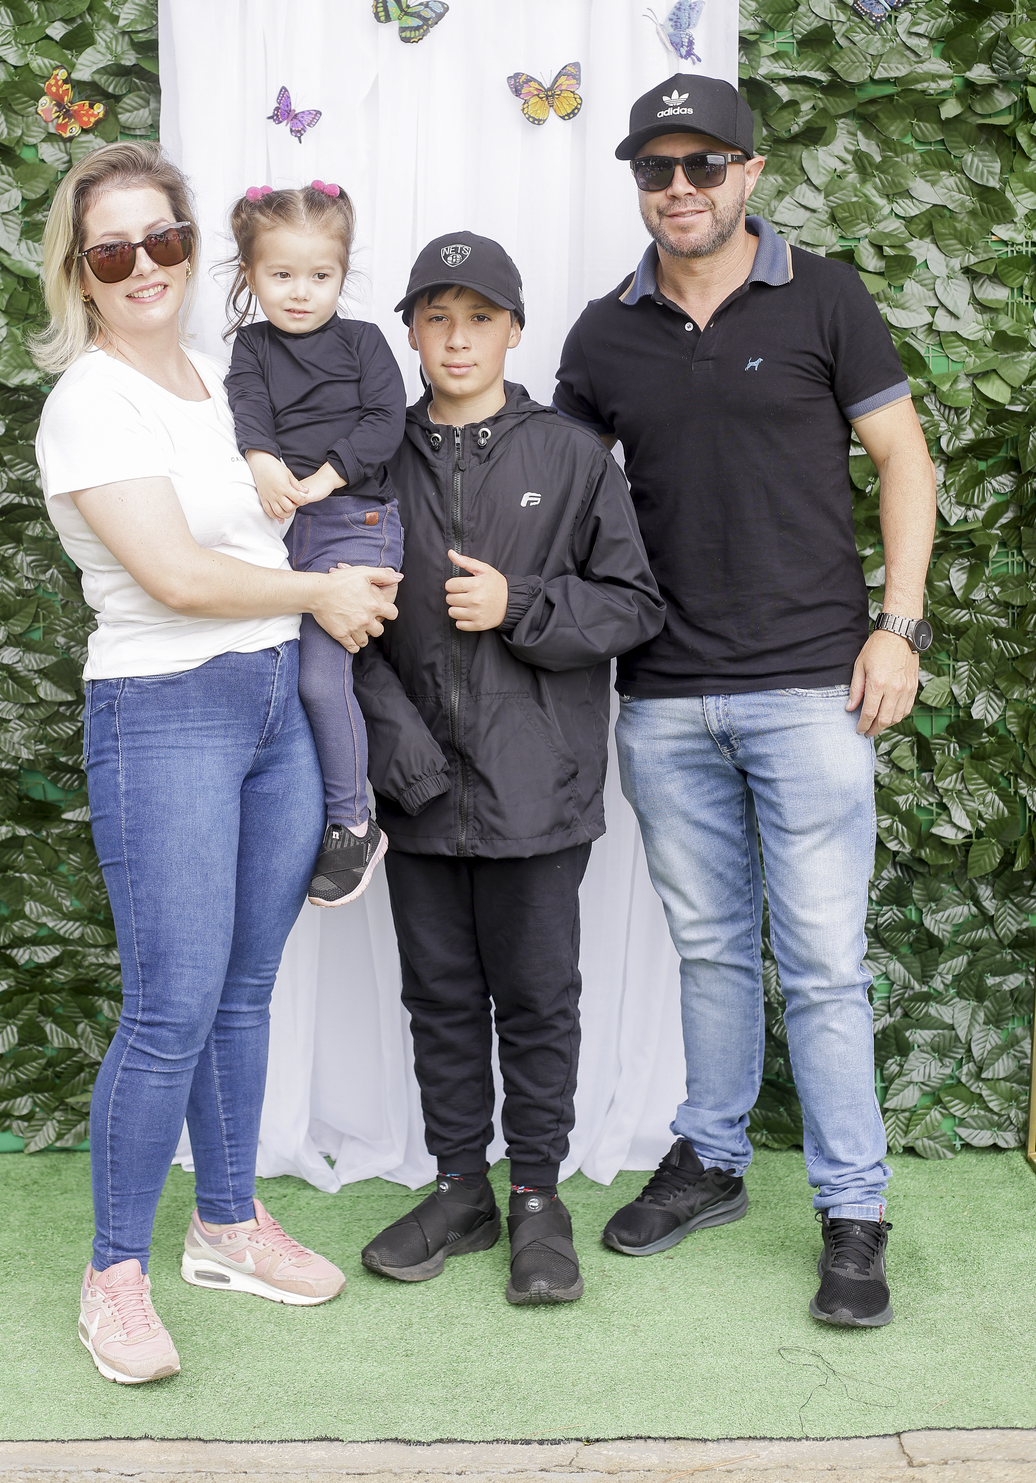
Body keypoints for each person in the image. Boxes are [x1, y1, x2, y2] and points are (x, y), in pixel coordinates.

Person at [554, 74, 937, 1329]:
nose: (679, 188)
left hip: (814, 688)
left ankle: (855, 1212)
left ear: (749, 174)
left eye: (703, 165)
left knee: (823, 965)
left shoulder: (825, 296)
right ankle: (712, 1162)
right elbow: (553, 499)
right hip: (665, 700)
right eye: (656, 169)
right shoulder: (601, 336)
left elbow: (904, 459)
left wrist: (898, 627)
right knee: (712, 950)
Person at [32, 143, 401, 1386]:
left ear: (195, 247)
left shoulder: (211, 379)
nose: (145, 265)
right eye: (114, 249)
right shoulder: (91, 402)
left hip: (272, 706)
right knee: (171, 1007)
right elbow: (180, 578)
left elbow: (283, 523)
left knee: (243, 991)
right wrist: (324, 592)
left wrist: (344, 575)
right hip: (165, 710)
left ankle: (229, 1226)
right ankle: (113, 1277)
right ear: (81, 271)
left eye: (166, 238)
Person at [353, 232, 665, 1307]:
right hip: (418, 790)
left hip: (539, 790)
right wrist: (402, 759)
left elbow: (632, 606)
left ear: (514, 331)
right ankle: (460, 1191)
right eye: (436, 318)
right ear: (410, 332)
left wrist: (519, 604)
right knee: (439, 997)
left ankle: (536, 1197)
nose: (457, 339)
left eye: (478, 318)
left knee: (537, 1000)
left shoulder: (573, 457)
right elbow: (340, 626)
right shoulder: (373, 461)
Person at [224, 181, 406, 908]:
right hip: (281, 529)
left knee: (319, 681)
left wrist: (327, 476)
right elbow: (247, 408)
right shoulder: (251, 347)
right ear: (250, 275)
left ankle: (353, 822)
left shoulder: (363, 342)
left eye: (320, 276)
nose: (301, 293)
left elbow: (386, 419)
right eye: (281, 275)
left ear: (342, 274)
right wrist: (263, 461)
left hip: (354, 524)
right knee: (273, 677)